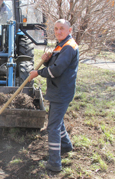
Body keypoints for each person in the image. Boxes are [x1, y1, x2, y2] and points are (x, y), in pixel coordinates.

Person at [29, 19, 79, 172]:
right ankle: (66, 145)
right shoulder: (61, 46)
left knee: (53, 127)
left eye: (62, 29)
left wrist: (38, 73)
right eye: (56, 29)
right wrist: (46, 61)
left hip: (61, 92)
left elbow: (56, 71)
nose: (58, 32)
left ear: (69, 30)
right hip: (58, 90)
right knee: (57, 121)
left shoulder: (69, 47)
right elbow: (54, 66)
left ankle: (55, 163)